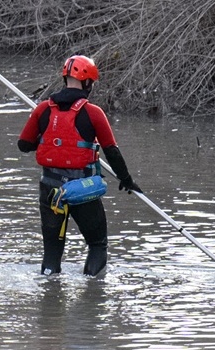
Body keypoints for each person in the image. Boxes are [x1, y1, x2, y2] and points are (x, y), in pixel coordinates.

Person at [17, 55, 141, 276]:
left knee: (51, 254)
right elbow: (111, 151)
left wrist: (50, 141)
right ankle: (93, 298)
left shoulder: (43, 109)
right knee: (97, 245)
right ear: (88, 83)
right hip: (82, 189)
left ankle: (49, 297)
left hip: (49, 189)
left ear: (65, 78)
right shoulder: (93, 113)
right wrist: (126, 180)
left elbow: (24, 145)